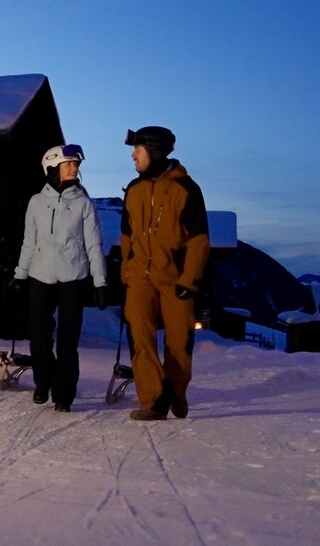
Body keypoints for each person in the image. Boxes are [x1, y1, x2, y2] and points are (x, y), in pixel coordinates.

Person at [120, 126, 209, 421]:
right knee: (140, 338)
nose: (133, 155)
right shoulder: (133, 189)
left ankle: (176, 389)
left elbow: (198, 240)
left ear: (154, 152)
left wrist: (190, 279)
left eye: (138, 150)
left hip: (176, 279)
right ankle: (154, 401)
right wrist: (126, 274)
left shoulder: (186, 189)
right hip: (140, 279)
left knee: (178, 342)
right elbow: (127, 236)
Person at [12, 144, 108, 412]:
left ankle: (63, 394)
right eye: (69, 165)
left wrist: (100, 281)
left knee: (68, 338)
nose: (75, 169)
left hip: (73, 278)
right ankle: (43, 382)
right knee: (39, 334)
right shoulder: (36, 202)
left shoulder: (83, 204)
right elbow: (28, 242)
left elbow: (94, 245)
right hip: (40, 276)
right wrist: (20, 275)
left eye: (76, 165)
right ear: (52, 168)